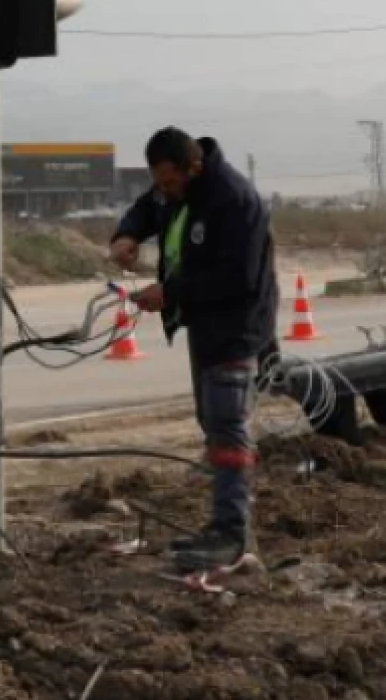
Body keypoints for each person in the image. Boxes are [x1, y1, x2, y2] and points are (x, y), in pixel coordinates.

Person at [109, 129, 280, 570]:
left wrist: (170, 293)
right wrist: (128, 234)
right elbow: (149, 206)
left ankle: (232, 535)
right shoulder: (176, 189)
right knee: (214, 424)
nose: (165, 191)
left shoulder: (235, 201)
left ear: (195, 167)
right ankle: (231, 529)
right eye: (160, 182)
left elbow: (237, 277)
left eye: (170, 182)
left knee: (228, 424)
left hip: (237, 326)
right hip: (204, 323)